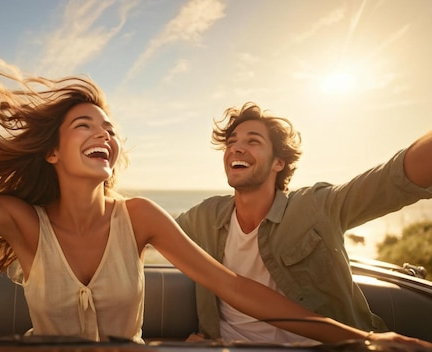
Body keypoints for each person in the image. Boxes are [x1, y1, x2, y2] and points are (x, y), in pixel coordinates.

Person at [0, 10, 429, 348]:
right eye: (84, 125)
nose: (104, 133)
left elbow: (236, 286)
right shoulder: (26, 223)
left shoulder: (142, 219)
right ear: (51, 152)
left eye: (109, 127)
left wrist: (358, 340)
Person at [176, 102, 432, 344]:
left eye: (253, 141)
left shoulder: (315, 206)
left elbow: (393, 179)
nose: (236, 148)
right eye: (231, 142)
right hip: (228, 346)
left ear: (279, 162)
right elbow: (146, 228)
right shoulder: (206, 216)